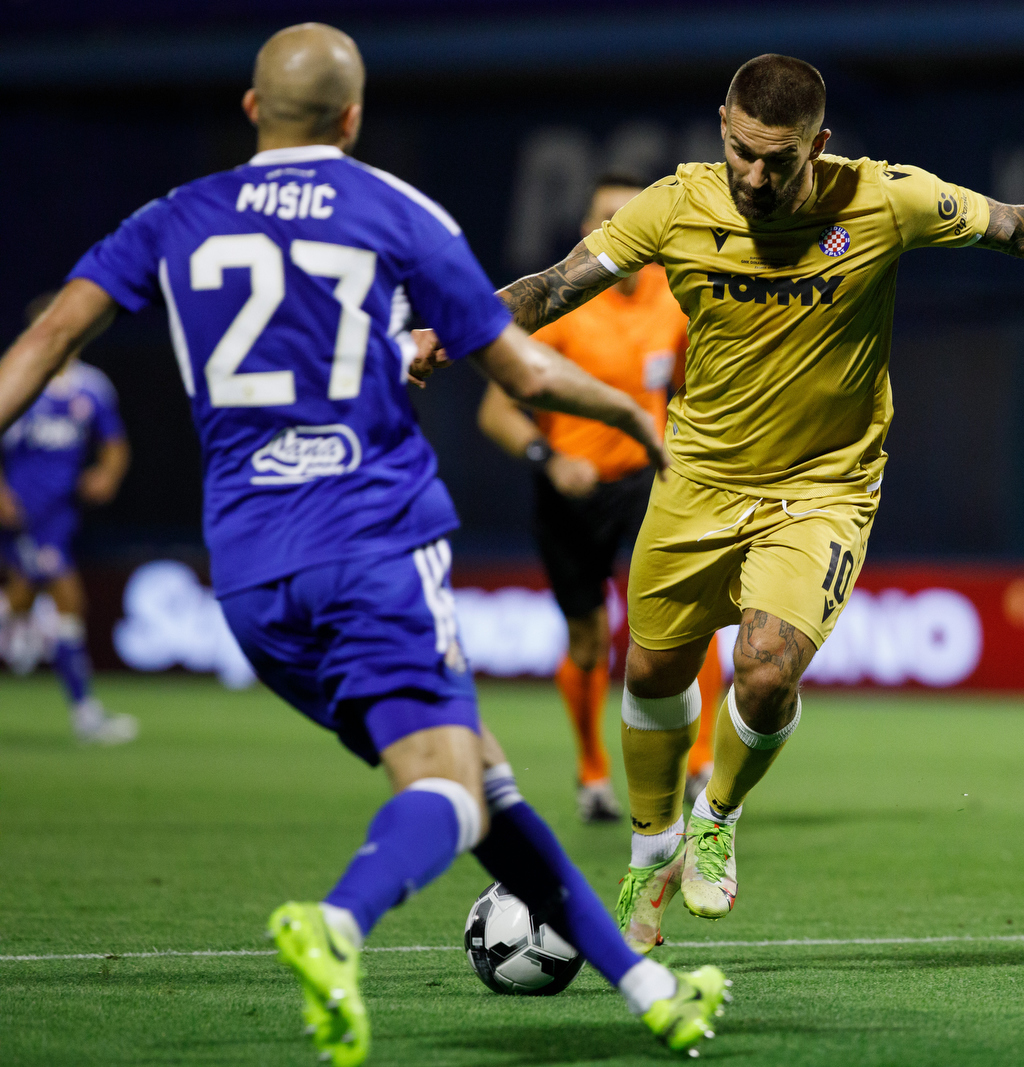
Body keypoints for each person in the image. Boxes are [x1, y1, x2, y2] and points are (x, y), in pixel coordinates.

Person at [0, 24, 727, 1065]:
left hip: (249, 573)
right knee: (447, 786)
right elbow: (523, 374)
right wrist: (632, 417)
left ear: (253, 111)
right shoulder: (393, 209)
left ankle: (650, 990)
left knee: (481, 779)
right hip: (371, 541)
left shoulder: (172, 218)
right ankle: (337, 921)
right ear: (351, 118)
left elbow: (42, 342)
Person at [410, 53, 1024, 953]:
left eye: (777, 158)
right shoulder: (672, 204)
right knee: (652, 671)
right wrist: (448, 333)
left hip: (824, 485)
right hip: (696, 476)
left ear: (822, 143)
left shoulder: (887, 201)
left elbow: (1022, 228)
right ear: (722, 126)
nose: (754, 177)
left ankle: (717, 815)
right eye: (740, 151)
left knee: (767, 667)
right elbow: (551, 287)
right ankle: (650, 850)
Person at [477, 173, 724, 825]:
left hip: (650, 481)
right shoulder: (559, 311)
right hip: (572, 491)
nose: (615, 229)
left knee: (693, 619)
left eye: (627, 217)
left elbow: (701, 385)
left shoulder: (674, 302)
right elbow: (496, 410)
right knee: (588, 639)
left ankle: (702, 766)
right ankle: (592, 773)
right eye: (603, 219)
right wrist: (549, 457)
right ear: (588, 234)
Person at [0, 291, 136, 744]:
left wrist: (107, 473)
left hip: (62, 513)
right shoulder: (16, 379)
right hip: (21, 513)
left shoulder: (91, 388)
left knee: (20, 600)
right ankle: (85, 714)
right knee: (69, 603)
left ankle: (81, 708)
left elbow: (114, 444)